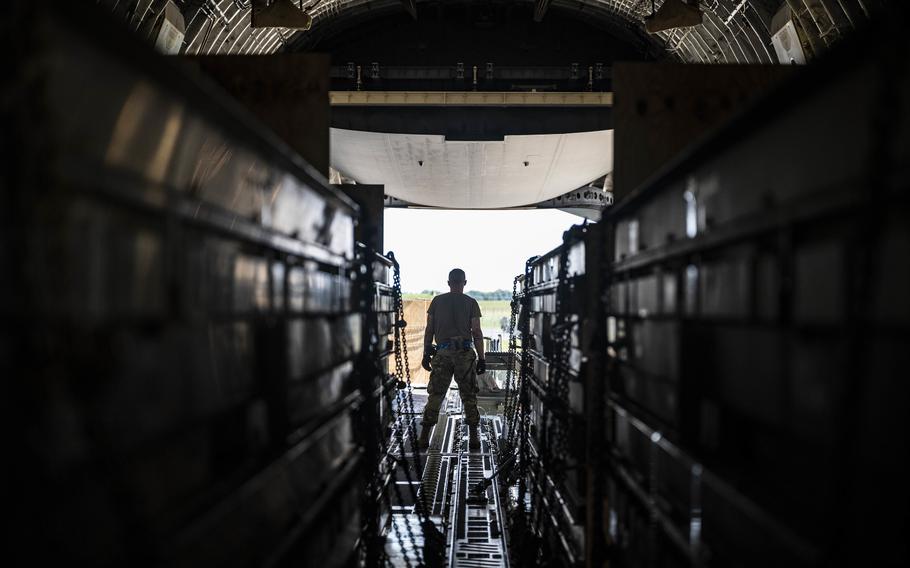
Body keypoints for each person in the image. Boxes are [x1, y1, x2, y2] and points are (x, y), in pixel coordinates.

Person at [418, 268, 486, 450]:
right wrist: (482, 358)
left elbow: (429, 329)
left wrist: (426, 353)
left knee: (436, 395)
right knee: (469, 396)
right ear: (465, 283)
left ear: (448, 283)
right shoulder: (471, 303)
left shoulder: (437, 301)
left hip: (442, 354)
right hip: (464, 355)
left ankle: (424, 438)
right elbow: (477, 332)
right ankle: (473, 438)